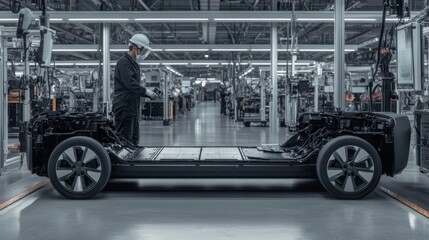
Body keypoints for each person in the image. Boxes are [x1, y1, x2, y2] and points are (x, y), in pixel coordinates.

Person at [112, 33, 159, 145]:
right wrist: (146, 91)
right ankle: (123, 161)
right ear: (134, 47)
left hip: (132, 108)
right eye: (141, 51)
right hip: (124, 107)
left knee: (133, 139)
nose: (141, 54)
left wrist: (148, 93)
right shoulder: (123, 62)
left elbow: (134, 86)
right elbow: (130, 83)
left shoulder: (133, 64)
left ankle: (131, 161)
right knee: (124, 139)